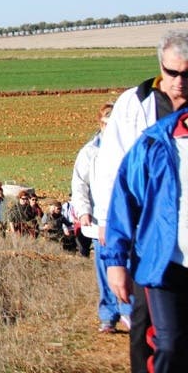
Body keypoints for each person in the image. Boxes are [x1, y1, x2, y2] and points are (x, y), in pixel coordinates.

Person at [95, 30, 188, 373]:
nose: (180, 81)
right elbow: (114, 168)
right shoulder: (135, 103)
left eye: (187, 74)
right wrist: (108, 226)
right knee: (146, 324)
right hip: (145, 230)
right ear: (160, 67)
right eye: (173, 72)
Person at [72, 103, 130, 333]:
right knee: (105, 267)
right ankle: (108, 315)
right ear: (101, 123)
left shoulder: (129, 147)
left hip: (125, 218)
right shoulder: (90, 152)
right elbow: (79, 184)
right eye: (107, 122)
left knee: (127, 265)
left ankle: (129, 311)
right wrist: (83, 210)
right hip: (99, 220)